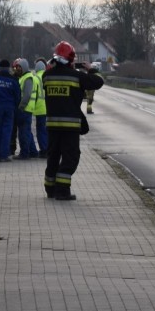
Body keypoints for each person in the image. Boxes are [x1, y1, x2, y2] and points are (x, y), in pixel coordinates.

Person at [43, 41, 104, 201]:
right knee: (71, 158)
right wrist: (90, 68)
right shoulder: (77, 76)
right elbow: (98, 81)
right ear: (71, 59)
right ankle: (62, 191)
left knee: (53, 156)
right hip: (70, 126)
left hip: (52, 125)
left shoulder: (46, 76)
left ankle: (50, 189)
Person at [0, 59, 21, 163]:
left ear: (0, 67)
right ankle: (4, 155)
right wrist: (15, 107)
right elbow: (18, 96)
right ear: (9, 68)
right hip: (9, 108)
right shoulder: (13, 80)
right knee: (7, 131)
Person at [13, 58, 39, 159]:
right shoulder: (24, 77)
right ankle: (33, 152)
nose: (17, 69)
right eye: (16, 67)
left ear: (24, 67)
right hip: (26, 109)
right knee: (27, 132)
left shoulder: (27, 78)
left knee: (23, 133)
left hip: (24, 109)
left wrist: (20, 107)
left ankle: (24, 154)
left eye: (19, 67)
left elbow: (27, 95)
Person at [33, 58, 48, 157]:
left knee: (40, 131)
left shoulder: (35, 78)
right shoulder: (49, 77)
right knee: (48, 131)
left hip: (39, 108)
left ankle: (44, 150)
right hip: (49, 108)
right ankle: (48, 149)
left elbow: (33, 94)